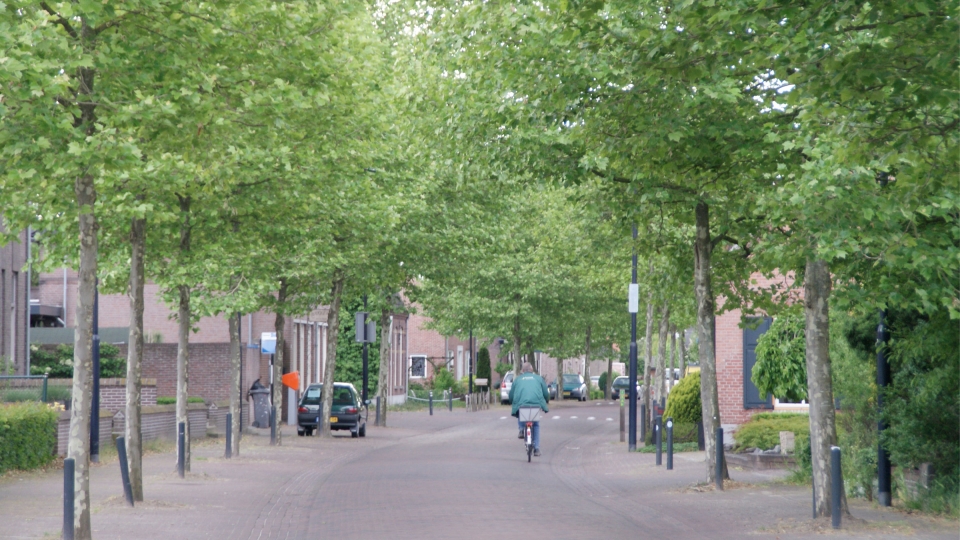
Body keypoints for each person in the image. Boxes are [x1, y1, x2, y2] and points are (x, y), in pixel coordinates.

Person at [508, 362, 550, 457]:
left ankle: (522, 429)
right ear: (532, 370)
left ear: (522, 371)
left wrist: (511, 401)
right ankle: (537, 449)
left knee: (520, 411)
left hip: (522, 405)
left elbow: (511, 395)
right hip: (535, 405)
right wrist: (546, 400)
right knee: (535, 425)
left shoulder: (517, 380)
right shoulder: (539, 378)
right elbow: (545, 393)